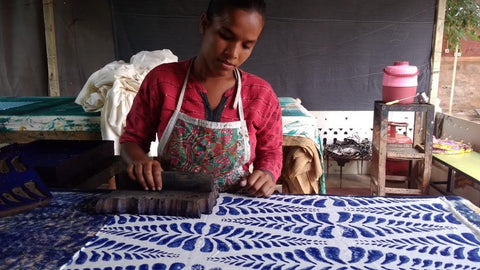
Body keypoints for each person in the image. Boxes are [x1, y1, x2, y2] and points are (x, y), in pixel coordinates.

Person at [119, 0, 282, 197]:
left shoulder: (261, 95)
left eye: (246, 45)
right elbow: (131, 141)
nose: (233, 53)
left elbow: (271, 153)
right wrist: (139, 162)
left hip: (236, 204)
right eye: (225, 36)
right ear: (204, 24)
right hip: (172, 200)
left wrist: (266, 174)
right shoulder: (162, 82)